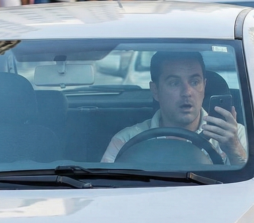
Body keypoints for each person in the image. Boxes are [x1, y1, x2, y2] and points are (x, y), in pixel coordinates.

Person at [101, 51, 246, 164]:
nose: (187, 92)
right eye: (174, 83)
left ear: (204, 86)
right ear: (155, 91)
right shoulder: (126, 141)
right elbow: (107, 193)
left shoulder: (234, 135)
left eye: (195, 82)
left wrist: (234, 149)